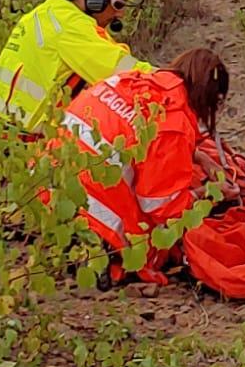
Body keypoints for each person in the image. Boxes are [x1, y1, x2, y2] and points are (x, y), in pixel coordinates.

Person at [57, 48, 233, 283]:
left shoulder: (132, 81)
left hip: (48, 189)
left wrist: (198, 156)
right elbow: (162, 207)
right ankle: (101, 254)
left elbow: (135, 133)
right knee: (151, 244)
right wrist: (211, 194)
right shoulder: (174, 121)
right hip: (92, 214)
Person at [0, 0, 148, 141]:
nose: (120, 14)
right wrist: (169, 80)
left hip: (1, 133)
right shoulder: (69, 26)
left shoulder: (52, 13)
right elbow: (123, 72)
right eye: (118, 4)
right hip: (19, 140)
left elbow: (106, 49)